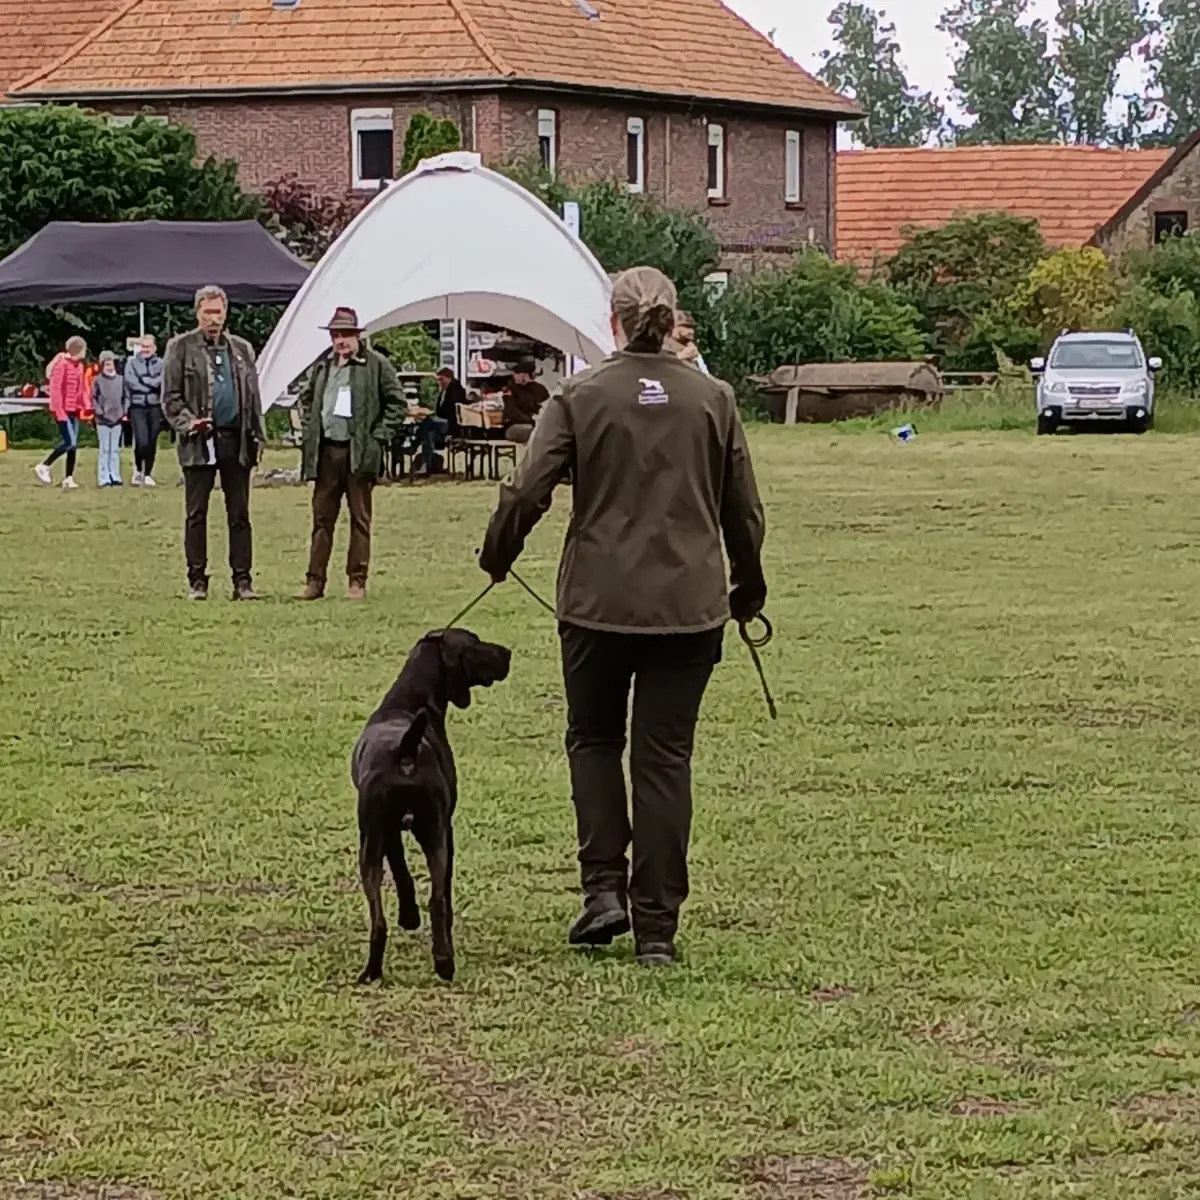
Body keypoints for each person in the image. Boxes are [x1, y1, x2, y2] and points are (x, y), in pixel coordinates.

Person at [479, 266, 767, 968]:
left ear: (614, 321)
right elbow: (744, 510)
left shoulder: (579, 396)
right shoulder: (714, 399)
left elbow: (525, 490)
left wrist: (497, 554)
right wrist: (748, 587)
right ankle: (658, 927)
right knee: (665, 759)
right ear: (671, 325)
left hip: (596, 606)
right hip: (689, 609)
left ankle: (603, 888)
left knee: (595, 743)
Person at [162, 285, 266, 601]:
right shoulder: (180, 348)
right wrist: (189, 423)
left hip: (236, 440)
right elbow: (170, 398)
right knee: (196, 513)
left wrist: (258, 434)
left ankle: (243, 581)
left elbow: (253, 397)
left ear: (226, 312)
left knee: (240, 513)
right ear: (197, 313)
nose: (213, 319)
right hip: (199, 441)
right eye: (207, 312)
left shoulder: (242, 349)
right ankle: (197, 581)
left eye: (218, 312)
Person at [295, 306, 406, 601]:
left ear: (358, 335)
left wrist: (377, 438)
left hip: (359, 452)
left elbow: (397, 404)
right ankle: (314, 581)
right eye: (336, 335)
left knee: (360, 519)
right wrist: (310, 429)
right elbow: (305, 399)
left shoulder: (377, 365)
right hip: (327, 451)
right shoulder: (323, 366)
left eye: (346, 334)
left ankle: (357, 581)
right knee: (321, 519)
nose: (341, 340)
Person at [35, 336, 89, 491]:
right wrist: (59, 412)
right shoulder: (61, 365)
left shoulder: (79, 366)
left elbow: (80, 389)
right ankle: (44, 465)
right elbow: (56, 390)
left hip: (73, 410)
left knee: (73, 446)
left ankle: (68, 478)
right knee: (69, 442)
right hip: (62, 410)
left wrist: (84, 406)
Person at [125, 335, 164, 486]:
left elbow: (162, 380)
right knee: (142, 440)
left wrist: (145, 380)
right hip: (137, 406)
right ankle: (137, 469)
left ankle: (148, 473)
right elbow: (131, 382)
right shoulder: (132, 363)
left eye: (149, 346)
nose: (146, 349)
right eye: (144, 346)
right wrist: (149, 384)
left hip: (155, 406)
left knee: (152, 441)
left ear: (154, 347)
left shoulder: (161, 363)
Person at [412, 365, 466, 473]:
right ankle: (426, 465)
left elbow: (451, 411)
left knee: (428, 422)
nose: (439, 382)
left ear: (449, 378)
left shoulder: (456, 390)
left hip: (451, 424)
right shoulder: (443, 391)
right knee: (429, 434)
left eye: (441, 379)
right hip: (440, 424)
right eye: (438, 380)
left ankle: (414, 444)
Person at [92, 351, 128, 487]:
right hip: (102, 420)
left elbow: (126, 397)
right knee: (104, 449)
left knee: (115, 449)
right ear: (102, 365)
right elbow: (93, 398)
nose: (109, 367)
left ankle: (115, 475)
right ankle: (103, 477)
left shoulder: (121, 380)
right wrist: (99, 412)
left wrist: (123, 411)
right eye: (106, 364)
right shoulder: (97, 380)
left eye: (111, 364)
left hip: (117, 419)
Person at [502, 361, 549, 443]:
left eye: (516, 374)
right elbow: (511, 411)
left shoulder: (540, 389)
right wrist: (531, 420)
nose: (514, 376)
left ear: (524, 374)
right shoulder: (512, 389)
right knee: (535, 432)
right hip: (515, 425)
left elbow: (546, 409)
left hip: (538, 425)